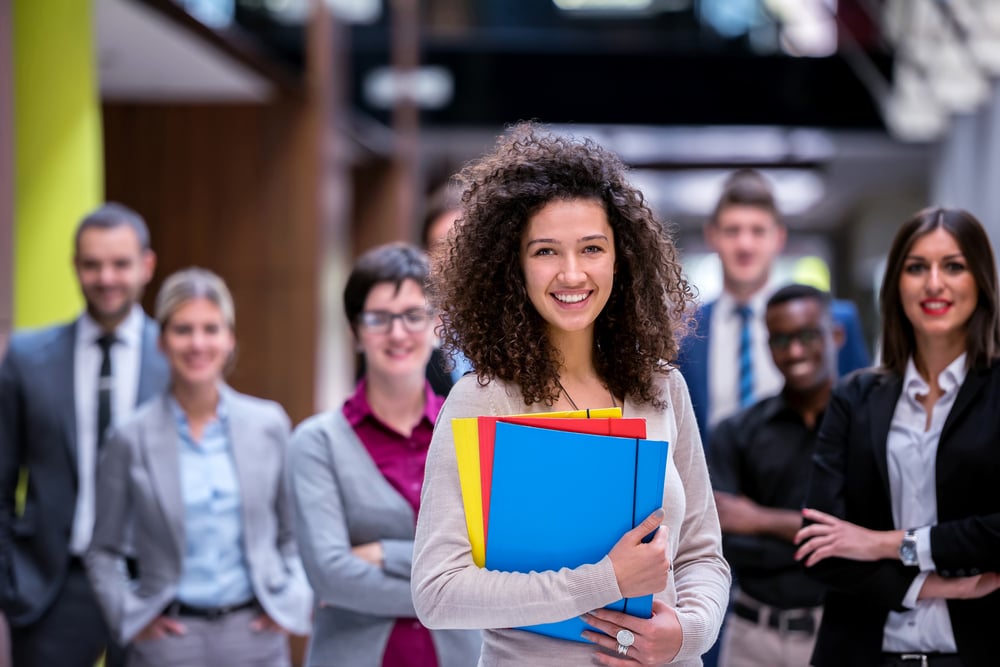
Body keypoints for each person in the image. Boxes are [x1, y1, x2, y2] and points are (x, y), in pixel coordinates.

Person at [410, 122, 730, 666]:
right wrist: (605, 580)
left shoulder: (663, 388)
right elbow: (438, 592)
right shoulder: (482, 401)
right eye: (545, 252)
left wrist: (687, 632)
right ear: (513, 265)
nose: (572, 272)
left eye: (592, 248)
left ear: (620, 258)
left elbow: (703, 555)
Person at [794, 207, 1000, 667]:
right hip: (864, 653)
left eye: (953, 266)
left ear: (980, 281)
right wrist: (939, 584)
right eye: (916, 267)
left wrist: (883, 543)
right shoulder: (855, 395)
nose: (933, 283)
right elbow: (820, 544)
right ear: (897, 285)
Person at [85, 268, 312, 667]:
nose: (197, 343)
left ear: (230, 338)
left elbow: (294, 533)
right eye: (183, 329)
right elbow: (103, 549)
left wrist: (293, 600)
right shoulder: (130, 437)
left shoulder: (268, 424)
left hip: (255, 636)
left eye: (211, 328)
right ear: (161, 341)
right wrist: (129, 616)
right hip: (168, 643)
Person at [288, 242, 481, 667]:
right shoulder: (315, 443)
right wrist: (455, 586)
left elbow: (499, 560)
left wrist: (383, 554)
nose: (398, 334)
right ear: (356, 331)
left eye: (413, 316)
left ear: (436, 326)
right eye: (379, 319)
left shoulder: (475, 435)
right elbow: (331, 577)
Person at [0, 203, 168, 667]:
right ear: (75, 266)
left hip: (148, 586)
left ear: (146, 266)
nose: (106, 277)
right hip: (51, 588)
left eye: (120, 264)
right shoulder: (26, 359)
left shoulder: (175, 360)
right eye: (92, 264)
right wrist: (10, 584)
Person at [676, 168, 870, 443]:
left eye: (758, 231)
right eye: (732, 231)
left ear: (778, 238)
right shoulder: (683, 331)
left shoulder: (836, 321)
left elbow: (860, 417)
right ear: (712, 236)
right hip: (712, 481)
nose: (745, 244)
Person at [708, 284, 843, 667]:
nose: (795, 351)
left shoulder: (867, 424)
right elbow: (725, 540)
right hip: (751, 637)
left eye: (807, 335)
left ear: (836, 336)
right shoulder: (735, 432)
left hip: (838, 632)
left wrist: (758, 520)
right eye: (781, 339)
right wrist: (827, 538)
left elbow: (872, 533)